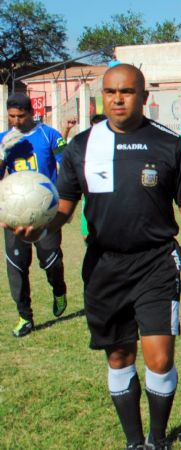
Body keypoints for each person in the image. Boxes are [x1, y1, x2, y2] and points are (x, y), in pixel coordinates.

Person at [11, 64, 181, 450]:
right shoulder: (82, 146)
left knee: (159, 357)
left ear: (144, 97)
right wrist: (42, 225)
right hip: (104, 264)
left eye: (127, 92)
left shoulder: (169, 144)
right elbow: (65, 206)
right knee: (119, 356)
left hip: (156, 260)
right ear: (102, 96)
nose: (118, 98)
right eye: (110, 92)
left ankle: (158, 438)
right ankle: (134, 442)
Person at [0, 93, 68, 337]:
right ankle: (24, 317)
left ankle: (59, 289)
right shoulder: (3, 140)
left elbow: (67, 167)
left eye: (20, 116)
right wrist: (0, 155)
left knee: (51, 262)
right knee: (16, 267)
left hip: (45, 213)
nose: (15, 121)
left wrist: (57, 200)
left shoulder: (49, 135)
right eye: (11, 117)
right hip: (14, 214)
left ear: (31, 113)